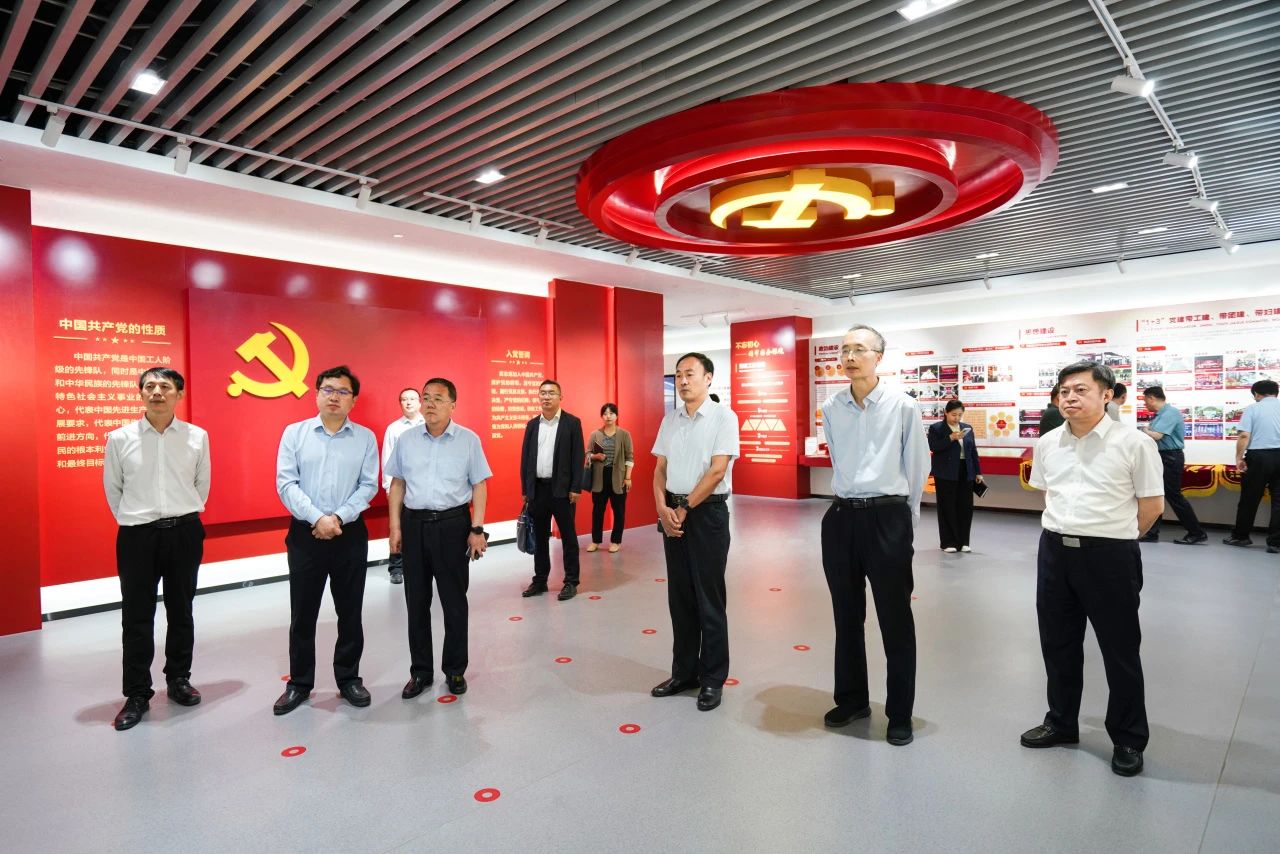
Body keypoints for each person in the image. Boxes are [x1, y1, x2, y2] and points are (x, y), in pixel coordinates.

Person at [1022, 361, 1163, 777]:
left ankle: (1128, 737)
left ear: (1107, 395)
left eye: (1080, 390)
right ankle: (1061, 722)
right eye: (1064, 391)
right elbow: (1049, 494)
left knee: (1119, 649)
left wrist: (1114, 538)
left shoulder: (1135, 443)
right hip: (1055, 552)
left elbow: (1152, 506)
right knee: (1058, 643)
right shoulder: (1048, 443)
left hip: (1110, 556)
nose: (1070, 398)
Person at [819, 325, 930, 745]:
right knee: (846, 616)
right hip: (842, 518)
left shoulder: (903, 405)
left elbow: (917, 466)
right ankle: (852, 699)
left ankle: (899, 713)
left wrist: (905, 520)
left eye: (859, 349)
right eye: (844, 349)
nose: (849, 357)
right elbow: (837, 458)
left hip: (888, 517)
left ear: (878, 357)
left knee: (894, 618)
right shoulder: (832, 406)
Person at [103, 367, 211, 732]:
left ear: (179, 393)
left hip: (184, 532)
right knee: (136, 616)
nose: (157, 392)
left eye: (165, 386)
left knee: (181, 610)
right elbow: (113, 489)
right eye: (149, 386)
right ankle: (137, 693)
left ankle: (179, 679)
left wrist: (180, 514)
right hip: (137, 536)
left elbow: (201, 484)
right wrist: (137, 519)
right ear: (141, 394)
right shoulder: (120, 438)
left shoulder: (196, 437)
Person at [273, 366, 379, 716]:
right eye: (328, 389)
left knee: (350, 611)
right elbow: (286, 483)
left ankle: (348, 678)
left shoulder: (365, 438)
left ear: (354, 400)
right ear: (316, 394)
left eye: (343, 391)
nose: (335, 396)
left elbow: (368, 485)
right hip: (306, 534)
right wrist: (318, 518)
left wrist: (338, 518)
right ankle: (300, 683)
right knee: (303, 613)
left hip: (349, 535)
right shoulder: (295, 433)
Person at [386, 378, 492, 699]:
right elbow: (397, 484)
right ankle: (420, 672)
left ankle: (455, 670)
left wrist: (477, 529)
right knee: (416, 602)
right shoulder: (406, 440)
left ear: (452, 405)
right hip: (414, 524)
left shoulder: (468, 440)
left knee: (454, 602)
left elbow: (479, 485)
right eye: (426, 397)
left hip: (452, 526)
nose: (429, 403)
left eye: (438, 398)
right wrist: (395, 528)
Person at [650, 352, 739, 712]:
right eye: (678, 375)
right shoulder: (670, 420)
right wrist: (662, 507)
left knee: (709, 599)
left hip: (707, 515)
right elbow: (660, 468)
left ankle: (713, 678)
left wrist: (684, 507)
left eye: (690, 374)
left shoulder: (724, 417)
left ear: (708, 378)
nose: (683, 381)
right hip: (673, 512)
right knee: (680, 598)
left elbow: (717, 471)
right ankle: (684, 673)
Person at [520, 380, 585, 600]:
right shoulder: (532, 425)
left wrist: (576, 487)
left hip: (563, 491)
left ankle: (571, 581)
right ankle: (540, 580)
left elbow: (577, 458)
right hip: (537, 490)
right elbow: (525, 459)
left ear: (560, 397)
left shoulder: (572, 423)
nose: (546, 397)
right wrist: (526, 489)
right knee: (539, 538)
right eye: (543, 393)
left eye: (551, 393)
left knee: (568, 537)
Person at [1138, 386, 1207, 545]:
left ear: (1151, 398)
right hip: (1162, 456)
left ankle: (1196, 532)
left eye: (1145, 401)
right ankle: (1151, 532)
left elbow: (1157, 435)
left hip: (1170, 457)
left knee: (1174, 496)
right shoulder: (1161, 414)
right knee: (1156, 494)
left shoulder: (1170, 413)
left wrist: (1145, 430)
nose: (1145, 405)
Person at [1224, 379, 1280, 552]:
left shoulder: (1253, 409)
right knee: (1279, 501)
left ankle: (1241, 536)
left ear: (1257, 394)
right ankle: (1276, 543)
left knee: (1250, 498)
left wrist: (1239, 458)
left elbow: (1243, 436)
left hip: (1259, 457)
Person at [927, 400, 984, 553]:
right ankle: (948, 542)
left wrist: (978, 472)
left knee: (965, 506)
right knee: (947, 506)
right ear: (946, 412)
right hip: (945, 472)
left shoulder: (967, 428)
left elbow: (973, 451)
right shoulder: (936, 428)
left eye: (959, 415)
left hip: (966, 470)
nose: (957, 418)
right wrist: (951, 438)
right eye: (953, 415)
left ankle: (964, 541)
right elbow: (933, 447)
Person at [380, 387, 424, 584]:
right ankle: (396, 568)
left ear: (420, 402)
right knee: (397, 527)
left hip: (421, 488)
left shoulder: (429, 423)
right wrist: (388, 487)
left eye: (412, 399)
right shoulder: (394, 428)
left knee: (418, 529)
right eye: (404, 399)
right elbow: (387, 459)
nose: (408, 402)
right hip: (399, 487)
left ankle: (418, 566)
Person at [586, 403, 634, 553]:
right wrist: (595, 456)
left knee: (619, 511)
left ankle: (615, 541)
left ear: (616, 415)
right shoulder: (595, 434)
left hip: (618, 477)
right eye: (605, 413)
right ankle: (595, 541)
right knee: (597, 511)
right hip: (599, 478)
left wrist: (628, 478)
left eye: (611, 413)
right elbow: (587, 454)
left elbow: (630, 457)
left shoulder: (624, 434)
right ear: (602, 416)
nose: (608, 416)